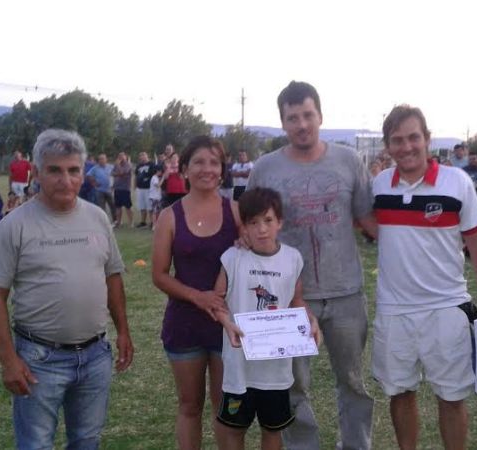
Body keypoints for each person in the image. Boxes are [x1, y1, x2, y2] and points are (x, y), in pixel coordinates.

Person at [0, 129, 133, 449]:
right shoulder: (14, 225)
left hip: (95, 356)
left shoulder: (98, 218)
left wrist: (123, 331)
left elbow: (113, 276)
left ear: (84, 173)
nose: (65, 179)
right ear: (36, 173)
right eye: (54, 170)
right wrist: (9, 360)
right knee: (36, 443)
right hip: (38, 358)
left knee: (86, 440)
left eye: (73, 170)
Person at [246, 81, 375, 450]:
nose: (301, 124)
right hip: (289, 297)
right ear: (283, 123)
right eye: (292, 118)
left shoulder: (349, 160)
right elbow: (250, 223)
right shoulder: (265, 168)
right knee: (292, 385)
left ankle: (355, 445)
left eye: (307, 115)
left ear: (320, 115)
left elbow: (369, 220)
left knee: (351, 380)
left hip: (346, 292)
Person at [372, 105, 477, 449]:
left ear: (427, 139)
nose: (407, 146)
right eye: (397, 140)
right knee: (399, 392)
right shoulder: (380, 185)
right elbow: (369, 226)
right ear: (387, 146)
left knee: (452, 395)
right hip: (394, 310)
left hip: (446, 308)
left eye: (414, 137)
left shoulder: (456, 182)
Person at [213, 187, 321, 450]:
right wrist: (226, 322)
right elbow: (217, 302)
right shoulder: (232, 258)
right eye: (253, 222)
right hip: (239, 367)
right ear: (245, 227)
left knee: (272, 432)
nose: (261, 229)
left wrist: (311, 320)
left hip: (276, 369)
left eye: (268, 220)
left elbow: (296, 301)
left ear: (279, 222)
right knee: (234, 430)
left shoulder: (293, 258)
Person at [151, 136, 240, 450]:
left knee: (226, 408)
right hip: (185, 325)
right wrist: (198, 297)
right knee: (190, 406)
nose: (207, 169)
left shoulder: (237, 212)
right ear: (184, 169)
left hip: (227, 327)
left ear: (222, 170)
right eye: (199, 162)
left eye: (214, 162)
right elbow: (159, 275)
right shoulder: (169, 217)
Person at [87, 153, 117, 224]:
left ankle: (115, 220)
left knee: (113, 205)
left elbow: (116, 174)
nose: (101, 160)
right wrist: (94, 183)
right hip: (99, 190)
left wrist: (114, 184)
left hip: (109, 190)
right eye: (100, 159)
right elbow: (88, 175)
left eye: (103, 159)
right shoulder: (95, 168)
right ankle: (104, 222)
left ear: (106, 159)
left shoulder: (111, 167)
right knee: (101, 207)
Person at [111, 152, 134, 227]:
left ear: (126, 156)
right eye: (119, 156)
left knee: (128, 207)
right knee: (118, 206)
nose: (120, 157)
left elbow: (122, 173)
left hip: (125, 188)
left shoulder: (128, 165)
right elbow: (112, 173)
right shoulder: (117, 165)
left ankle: (131, 223)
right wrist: (118, 172)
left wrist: (117, 167)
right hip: (117, 188)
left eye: (122, 156)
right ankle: (119, 222)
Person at [134, 151, 155, 228]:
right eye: (141, 155)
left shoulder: (152, 164)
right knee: (141, 206)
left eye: (144, 155)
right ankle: (143, 222)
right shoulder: (139, 165)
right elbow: (136, 176)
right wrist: (135, 186)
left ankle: (152, 222)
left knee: (149, 206)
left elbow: (154, 175)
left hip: (148, 188)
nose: (142, 157)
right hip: (140, 188)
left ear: (147, 156)